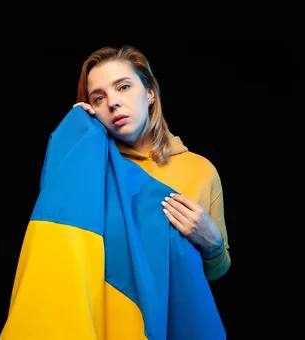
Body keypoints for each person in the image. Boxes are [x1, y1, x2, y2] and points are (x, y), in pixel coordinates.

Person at [72, 45, 231, 280]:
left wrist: (213, 243)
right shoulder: (90, 168)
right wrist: (76, 137)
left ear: (150, 93)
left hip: (169, 314)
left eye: (123, 87)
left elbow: (216, 272)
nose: (112, 102)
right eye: (98, 97)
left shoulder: (200, 171)